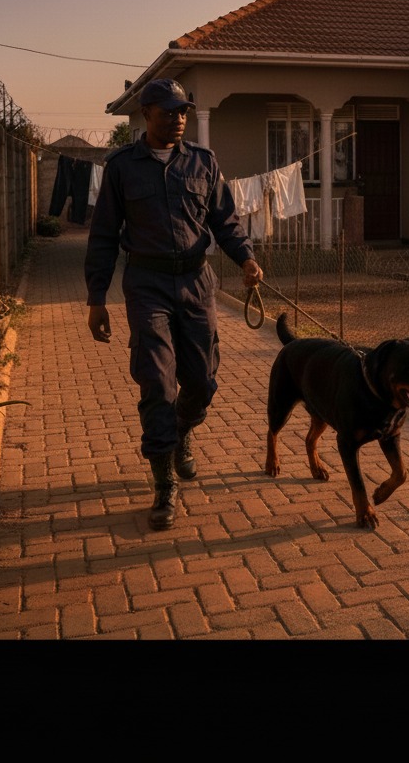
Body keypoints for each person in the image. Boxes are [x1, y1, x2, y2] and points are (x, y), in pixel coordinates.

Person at [84, 78, 264, 530]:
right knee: (158, 384)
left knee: (202, 382)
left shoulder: (203, 162)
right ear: (146, 115)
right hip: (146, 284)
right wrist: (96, 298)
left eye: (183, 111)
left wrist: (245, 259)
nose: (178, 118)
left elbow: (224, 220)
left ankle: (181, 432)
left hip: (197, 281)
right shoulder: (122, 167)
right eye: (168, 111)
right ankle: (164, 482)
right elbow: (104, 236)